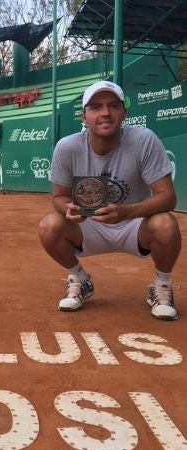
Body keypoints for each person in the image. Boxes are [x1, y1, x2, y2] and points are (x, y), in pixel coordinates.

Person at [39, 80, 181, 321]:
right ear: (84, 116)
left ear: (123, 112)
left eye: (113, 106)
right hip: (89, 225)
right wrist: (69, 209)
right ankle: (79, 279)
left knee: (166, 224)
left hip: (134, 226)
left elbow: (168, 197)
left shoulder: (143, 139)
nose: (105, 113)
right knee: (49, 225)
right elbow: (58, 197)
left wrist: (127, 212)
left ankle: (161, 286)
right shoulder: (67, 146)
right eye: (95, 107)